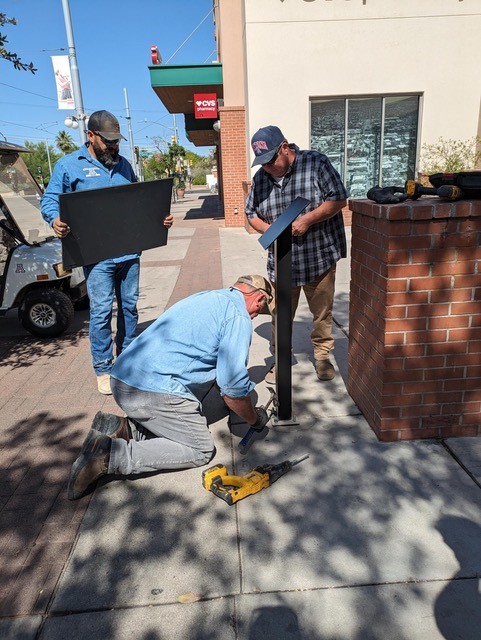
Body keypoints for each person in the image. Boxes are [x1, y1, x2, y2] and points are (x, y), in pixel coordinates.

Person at [67, 274, 275, 500]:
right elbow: (233, 389)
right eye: (258, 312)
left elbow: (216, 370)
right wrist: (255, 419)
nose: (254, 316)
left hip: (122, 379)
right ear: (259, 299)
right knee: (200, 448)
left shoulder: (209, 297)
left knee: (178, 416)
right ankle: (108, 456)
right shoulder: (239, 316)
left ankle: (123, 429)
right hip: (149, 391)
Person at [41, 110, 173, 395]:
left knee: (129, 307)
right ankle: (103, 367)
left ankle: (126, 359)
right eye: (108, 141)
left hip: (129, 253)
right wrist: (55, 219)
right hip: (97, 256)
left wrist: (158, 218)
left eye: (116, 141)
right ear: (91, 136)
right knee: (101, 312)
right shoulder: (68, 166)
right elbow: (50, 200)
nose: (114, 146)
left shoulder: (124, 165)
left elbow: (138, 202)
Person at [245, 125, 347, 382]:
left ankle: (322, 355)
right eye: (262, 163)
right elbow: (250, 214)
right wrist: (271, 230)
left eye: (270, 161)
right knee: (280, 315)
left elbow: (338, 198)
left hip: (318, 257)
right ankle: (280, 358)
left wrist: (308, 220)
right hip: (282, 261)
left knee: (322, 313)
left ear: (284, 147)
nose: (267, 167)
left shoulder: (315, 163)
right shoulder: (261, 178)